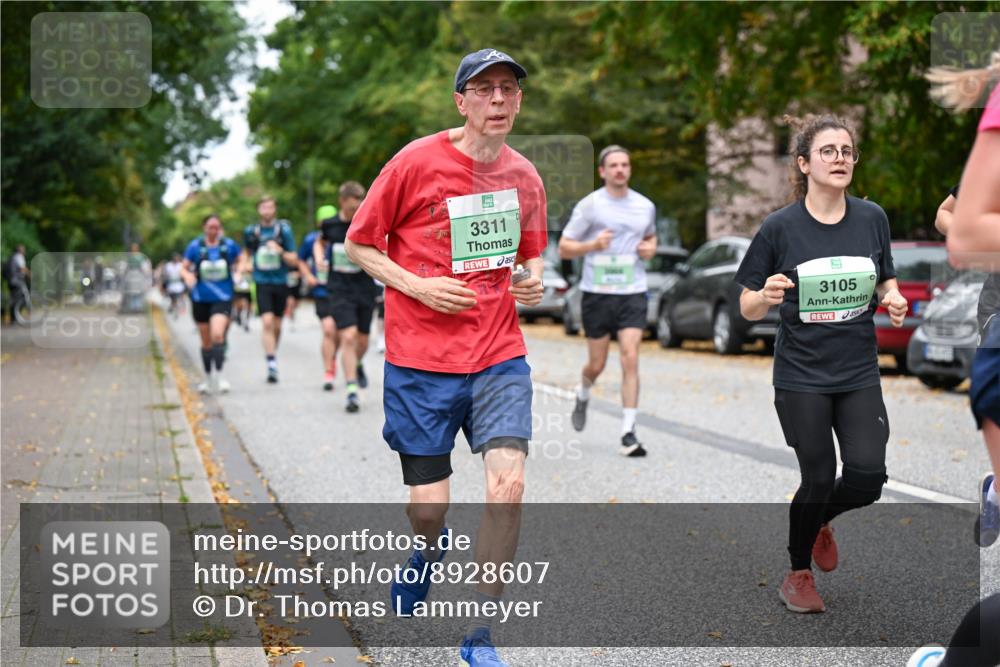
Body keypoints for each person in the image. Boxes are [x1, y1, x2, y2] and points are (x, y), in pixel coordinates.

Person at [344, 48, 546, 667]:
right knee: (427, 509)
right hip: (420, 363)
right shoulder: (415, 161)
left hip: (498, 356)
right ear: (461, 101)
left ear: (518, 101)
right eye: (483, 89)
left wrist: (532, 279)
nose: (497, 99)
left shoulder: (525, 177)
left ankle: (479, 633)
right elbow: (359, 244)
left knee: (508, 485)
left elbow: (530, 254)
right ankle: (428, 549)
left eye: (507, 88)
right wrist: (419, 286)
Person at [734, 113, 908, 614]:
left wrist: (893, 297)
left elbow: (885, 277)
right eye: (828, 151)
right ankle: (797, 574)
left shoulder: (872, 218)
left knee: (868, 478)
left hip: (858, 371)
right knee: (817, 475)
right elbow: (746, 306)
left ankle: (817, 521)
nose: (840, 159)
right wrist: (764, 296)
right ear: (804, 163)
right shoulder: (780, 228)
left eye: (847, 151)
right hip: (801, 376)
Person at [558, 144, 657, 457]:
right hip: (597, 293)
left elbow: (650, 236)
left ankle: (628, 432)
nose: (620, 170)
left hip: (632, 291)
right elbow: (564, 248)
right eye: (614, 165)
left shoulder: (645, 206)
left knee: (630, 356)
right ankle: (584, 391)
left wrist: (650, 248)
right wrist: (592, 245)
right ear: (602, 171)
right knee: (597, 364)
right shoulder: (590, 206)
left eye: (625, 165)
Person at [315, 182, 378, 413]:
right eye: (352, 208)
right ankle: (352, 390)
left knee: (363, 341)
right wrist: (319, 257)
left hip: (364, 287)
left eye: (359, 206)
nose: (355, 212)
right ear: (342, 202)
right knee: (348, 336)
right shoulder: (330, 224)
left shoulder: (367, 221)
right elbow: (320, 242)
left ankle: (358, 363)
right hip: (339, 288)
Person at [181, 214, 241, 394]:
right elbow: (184, 267)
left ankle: (221, 377)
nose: (214, 230)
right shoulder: (195, 246)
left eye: (217, 227)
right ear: (204, 228)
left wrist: (239, 271)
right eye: (210, 227)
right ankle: (207, 378)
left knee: (217, 335)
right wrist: (187, 275)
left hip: (223, 297)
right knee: (206, 342)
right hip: (200, 298)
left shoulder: (228, 245)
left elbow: (242, 259)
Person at [241, 196, 298, 383]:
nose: (267, 210)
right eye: (263, 207)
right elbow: (246, 252)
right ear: (258, 210)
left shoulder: (283, 230)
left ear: (275, 209)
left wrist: (280, 250)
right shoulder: (251, 231)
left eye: (270, 207)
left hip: (280, 281)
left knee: (277, 325)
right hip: (261, 282)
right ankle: (271, 362)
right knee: (267, 322)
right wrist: (245, 264)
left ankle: (272, 351)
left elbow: (294, 259)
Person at [300, 204, 339, 391]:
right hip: (321, 291)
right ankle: (328, 371)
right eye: (324, 222)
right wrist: (308, 275)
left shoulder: (342, 236)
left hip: (340, 291)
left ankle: (334, 357)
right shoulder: (311, 240)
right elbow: (301, 260)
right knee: (329, 330)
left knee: (341, 334)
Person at [162, 253, 186, 318]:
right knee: (173, 298)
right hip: (171, 285)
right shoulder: (168, 265)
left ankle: (179, 308)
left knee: (180, 297)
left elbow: (183, 274)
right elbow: (165, 274)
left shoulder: (180, 265)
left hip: (179, 285)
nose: (176, 259)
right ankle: (173, 306)